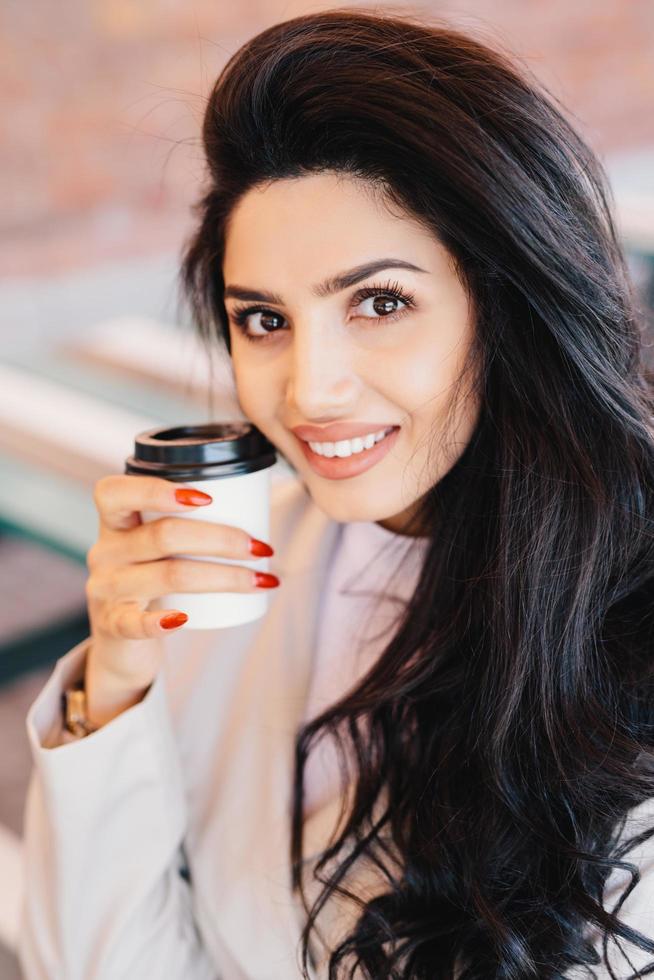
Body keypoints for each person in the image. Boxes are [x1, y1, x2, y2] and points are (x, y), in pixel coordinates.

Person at [18, 7, 654, 979]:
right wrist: (113, 684)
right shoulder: (240, 571)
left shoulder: (626, 631)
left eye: (380, 302)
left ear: (509, 305)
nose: (308, 389)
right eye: (264, 318)